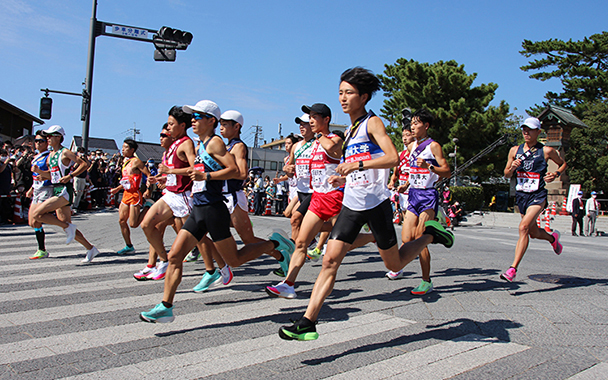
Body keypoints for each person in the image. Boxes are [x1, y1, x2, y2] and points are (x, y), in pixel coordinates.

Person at [278, 67, 454, 341]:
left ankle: (432, 234)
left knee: (393, 263)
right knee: (329, 261)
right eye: (340, 92)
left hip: (375, 204)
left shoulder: (373, 123)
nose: (343, 98)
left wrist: (356, 165)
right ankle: (308, 321)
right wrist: (343, 177)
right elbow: (357, 168)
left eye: (349, 93)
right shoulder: (349, 130)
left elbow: (393, 157)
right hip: (351, 202)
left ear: (364, 96)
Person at [139, 100, 294, 323]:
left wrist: (207, 177)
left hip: (213, 209)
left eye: (198, 116)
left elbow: (237, 171)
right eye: (192, 116)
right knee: (174, 257)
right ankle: (166, 307)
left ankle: (275, 245)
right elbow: (198, 169)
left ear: (211, 121)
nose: (193, 120)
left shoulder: (215, 143)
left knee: (235, 259)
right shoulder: (201, 145)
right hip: (198, 208)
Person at [190, 109, 289, 291]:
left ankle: (281, 253)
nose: (221, 128)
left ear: (237, 127)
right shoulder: (224, 146)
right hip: (220, 198)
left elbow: (242, 173)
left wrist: (213, 175)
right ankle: (216, 269)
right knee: (203, 233)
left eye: (226, 124)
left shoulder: (238, 146)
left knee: (248, 239)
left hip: (233, 197)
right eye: (221, 124)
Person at [266, 103, 344, 299]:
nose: (310, 120)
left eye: (314, 117)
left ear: (326, 120)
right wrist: (288, 171)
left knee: (343, 239)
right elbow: (297, 167)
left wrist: (318, 136)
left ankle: (373, 237)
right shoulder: (308, 144)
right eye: (310, 116)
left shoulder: (335, 139)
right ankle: (288, 284)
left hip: (335, 197)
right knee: (301, 242)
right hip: (316, 196)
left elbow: (331, 147)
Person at [501, 117, 566, 282]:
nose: (526, 132)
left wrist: (556, 174)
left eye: (530, 129)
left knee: (523, 228)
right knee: (533, 232)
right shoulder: (514, 150)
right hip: (522, 195)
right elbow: (507, 174)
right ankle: (553, 239)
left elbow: (563, 163)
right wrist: (512, 168)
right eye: (524, 129)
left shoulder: (546, 151)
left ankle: (512, 269)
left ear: (538, 132)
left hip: (537, 196)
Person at [139, 106, 197, 281]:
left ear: (182, 125)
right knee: (146, 225)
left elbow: (196, 169)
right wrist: (161, 179)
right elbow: (172, 173)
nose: (168, 127)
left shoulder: (186, 142)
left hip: (183, 196)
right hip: (170, 194)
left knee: (197, 238)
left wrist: (170, 171)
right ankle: (162, 261)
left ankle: (218, 266)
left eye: (172, 124)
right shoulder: (172, 146)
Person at [400, 108, 452, 295]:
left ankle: (426, 281)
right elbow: (414, 171)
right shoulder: (412, 146)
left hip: (428, 195)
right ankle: (437, 232)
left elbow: (447, 170)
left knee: (420, 239)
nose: (413, 127)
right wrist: (406, 184)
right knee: (407, 239)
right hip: (413, 194)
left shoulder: (433, 146)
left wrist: (430, 166)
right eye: (412, 123)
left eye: (416, 123)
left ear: (426, 126)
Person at [31, 125, 99, 262]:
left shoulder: (65, 152)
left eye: (50, 136)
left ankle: (69, 228)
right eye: (47, 136)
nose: (48, 138)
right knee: (65, 224)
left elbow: (83, 164)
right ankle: (90, 248)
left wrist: (71, 176)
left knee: (37, 215)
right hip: (55, 188)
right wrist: (41, 174)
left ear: (58, 137)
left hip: (64, 191)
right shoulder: (50, 155)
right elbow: (53, 175)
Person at [110, 138, 153, 255]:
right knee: (121, 220)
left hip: (135, 194)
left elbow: (149, 175)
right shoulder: (125, 161)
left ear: (132, 149)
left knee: (133, 224)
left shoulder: (137, 161)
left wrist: (148, 189)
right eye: (122, 147)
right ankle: (129, 246)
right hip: (126, 194)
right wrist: (117, 189)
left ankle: (148, 206)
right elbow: (126, 180)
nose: (122, 150)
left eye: (125, 148)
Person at [385, 123, 415, 280]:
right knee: (407, 228)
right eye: (403, 135)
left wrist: (407, 184)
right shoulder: (401, 154)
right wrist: (392, 181)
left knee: (408, 234)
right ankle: (411, 250)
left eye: (408, 134)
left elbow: (418, 172)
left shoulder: (418, 153)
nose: (405, 138)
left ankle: (399, 266)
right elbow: (395, 172)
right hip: (402, 194)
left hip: (415, 193)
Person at [284, 113, 316, 242]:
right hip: (300, 190)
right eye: (300, 124)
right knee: (295, 220)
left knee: (295, 218)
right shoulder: (296, 146)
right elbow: (289, 168)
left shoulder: (318, 143)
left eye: (305, 124)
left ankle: (295, 247)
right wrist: (287, 169)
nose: (301, 127)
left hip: (314, 191)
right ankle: (307, 240)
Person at [26, 131, 53, 259]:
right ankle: (42, 249)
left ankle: (63, 224)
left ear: (47, 143)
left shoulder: (49, 156)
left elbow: (53, 172)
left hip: (46, 188)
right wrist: (31, 188)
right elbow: (35, 176)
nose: (37, 143)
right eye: (36, 141)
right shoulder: (36, 156)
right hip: (36, 189)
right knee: (32, 222)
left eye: (40, 141)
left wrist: (40, 171)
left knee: (37, 217)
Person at [72, 147, 90, 212]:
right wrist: (79, 160)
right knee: (76, 192)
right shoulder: (75, 157)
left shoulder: (84, 158)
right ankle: (73, 206)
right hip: (77, 176)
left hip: (83, 177)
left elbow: (88, 165)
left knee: (81, 192)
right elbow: (74, 166)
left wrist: (85, 159)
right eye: (80, 151)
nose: (81, 152)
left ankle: (77, 205)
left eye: (82, 151)